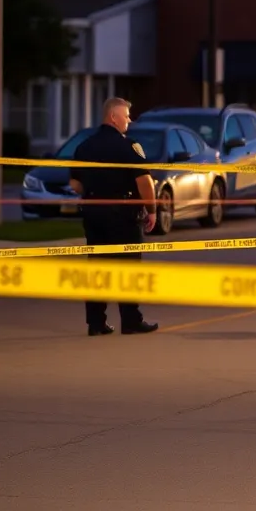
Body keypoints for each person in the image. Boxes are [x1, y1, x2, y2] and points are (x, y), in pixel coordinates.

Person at [69, 97, 159, 337]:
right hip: (123, 212)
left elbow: (75, 184)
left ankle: (96, 323)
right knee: (127, 267)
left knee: (97, 266)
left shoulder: (84, 146)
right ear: (113, 117)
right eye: (127, 115)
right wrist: (152, 210)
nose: (129, 120)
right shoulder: (128, 147)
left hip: (93, 211)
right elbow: (145, 183)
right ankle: (131, 321)